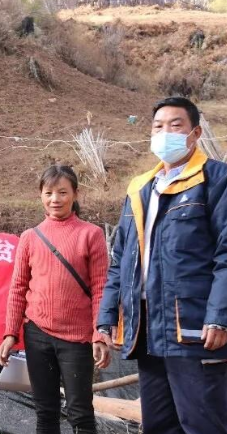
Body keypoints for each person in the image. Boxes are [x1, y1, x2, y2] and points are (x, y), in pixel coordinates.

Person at [97, 96, 227, 434]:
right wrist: (107, 318)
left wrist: (219, 315)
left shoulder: (216, 180)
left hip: (193, 327)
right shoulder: (140, 188)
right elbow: (120, 261)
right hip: (146, 327)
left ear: (195, 133)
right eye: (158, 127)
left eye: (175, 125)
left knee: (201, 423)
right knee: (158, 424)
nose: (165, 133)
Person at [0, 165, 110, 434]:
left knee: (80, 413)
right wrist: (11, 333)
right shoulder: (30, 237)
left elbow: (100, 289)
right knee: (45, 411)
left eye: (62, 192)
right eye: (48, 193)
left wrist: (100, 333)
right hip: (38, 334)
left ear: (75, 194)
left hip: (77, 338)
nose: (55, 199)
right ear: (40, 195)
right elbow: (18, 288)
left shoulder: (91, 234)